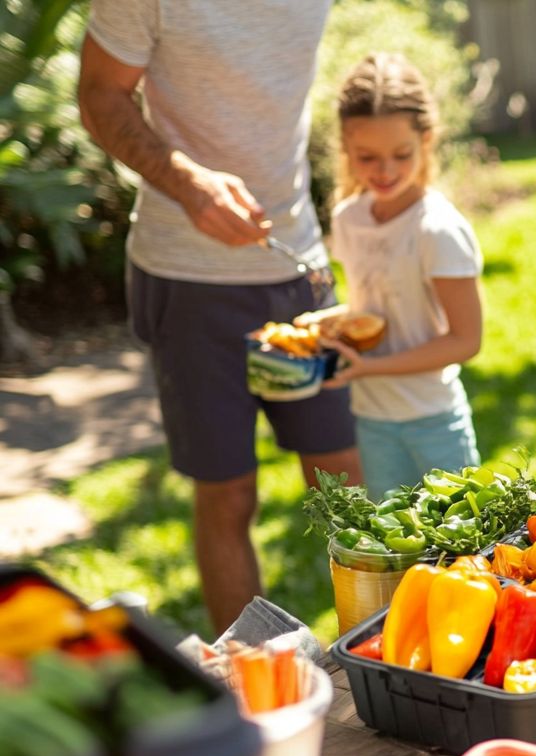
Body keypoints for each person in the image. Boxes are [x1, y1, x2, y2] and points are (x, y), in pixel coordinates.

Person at [77, 1, 362, 634]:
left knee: (343, 485)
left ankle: (388, 671)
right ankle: (255, 687)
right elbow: (99, 94)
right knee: (228, 494)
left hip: (298, 268)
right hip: (188, 280)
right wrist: (186, 182)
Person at [322, 53, 484, 499]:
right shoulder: (348, 219)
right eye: (367, 157)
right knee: (393, 558)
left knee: (458, 555)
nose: (385, 171)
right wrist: (323, 327)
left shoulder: (437, 229)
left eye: (401, 154)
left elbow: (465, 341)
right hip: (372, 420)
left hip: (433, 421)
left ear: (426, 140)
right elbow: (371, 312)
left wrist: (370, 367)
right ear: (345, 149)